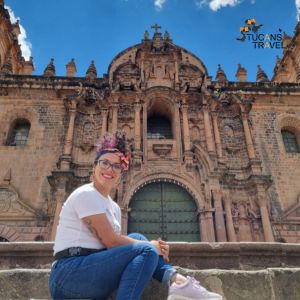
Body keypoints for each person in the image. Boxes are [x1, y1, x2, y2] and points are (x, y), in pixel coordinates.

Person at [48, 131, 222, 300]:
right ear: (94, 166)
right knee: (146, 249)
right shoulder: (85, 193)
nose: (110, 169)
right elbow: (111, 241)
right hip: (68, 274)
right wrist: (152, 246)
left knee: (137, 237)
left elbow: (118, 246)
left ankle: (177, 281)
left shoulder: (114, 207)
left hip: (95, 273)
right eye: (105, 163)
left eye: (117, 166)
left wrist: (150, 246)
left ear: (121, 173)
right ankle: (180, 284)